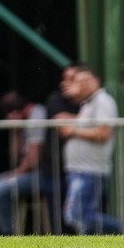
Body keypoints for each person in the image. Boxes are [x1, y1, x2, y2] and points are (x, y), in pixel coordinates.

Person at [60, 65, 124, 235]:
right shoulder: (87, 103)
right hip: (80, 170)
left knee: (76, 215)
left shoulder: (103, 101)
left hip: (90, 170)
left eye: (86, 81)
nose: (82, 85)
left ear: (97, 81)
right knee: (79, 216)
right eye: (78, 82)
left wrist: (73, 130)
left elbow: (103, 132)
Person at [0, 91, 47, 235]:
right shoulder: (23, 120)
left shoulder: (37, 115)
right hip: (26, 172)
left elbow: (34, 158)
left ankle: (10, 233)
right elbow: (15, 154)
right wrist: (16, 131)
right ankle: (7, 228)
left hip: (43, 173)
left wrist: (15, 174)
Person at [40, 64, 79, 234]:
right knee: (59, 220)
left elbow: (102, 125)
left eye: (71, 79)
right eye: (64, 79)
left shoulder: (91, 101)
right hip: (54, 170)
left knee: (80, 217)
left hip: (80, 170)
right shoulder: (55, 99)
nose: (65, 83)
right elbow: (64, 128)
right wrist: (89, 120)